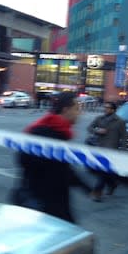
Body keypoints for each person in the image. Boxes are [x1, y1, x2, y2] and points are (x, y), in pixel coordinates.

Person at [11, 92, 91, 223]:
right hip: (43, 204)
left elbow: (63, 169)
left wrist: (85, 187)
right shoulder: (45, 132)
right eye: (77, 108)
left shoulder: (59, 132)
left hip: (53, 201)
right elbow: (24, 160)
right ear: (66, 110)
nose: (80, 113)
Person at [87, 101, 127, 201]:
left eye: (108, 108)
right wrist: (97, 130)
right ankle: (113, 184)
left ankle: (97, 193)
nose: (105, 109)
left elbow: (124, 137)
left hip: (111, 150)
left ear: (113, 110)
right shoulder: (99, 118)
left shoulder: (120, 121)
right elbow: (89, 128)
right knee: (104, 172)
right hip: (99, 148)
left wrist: (123, 150)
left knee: (103, 172)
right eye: (105, 107)